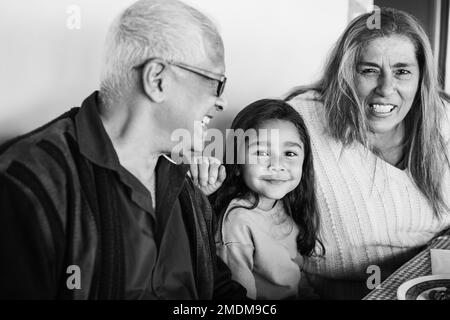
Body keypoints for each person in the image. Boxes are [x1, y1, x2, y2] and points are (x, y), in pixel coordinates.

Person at [0, 0, 246, 299]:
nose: (220, 102)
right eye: (216, 83)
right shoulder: (29, 183)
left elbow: (218, 289)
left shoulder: (187, 187)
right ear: (158, 80)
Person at [283, 7, 450, 299]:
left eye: (402, 71)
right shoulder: (302, 120)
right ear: (345, 74)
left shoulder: (442, 117)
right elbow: (246, 189)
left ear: (420, 77)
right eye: (369, 70)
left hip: (433, 282)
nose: (386, 88)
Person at [212, 99, 324, 299]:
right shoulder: (237, 221)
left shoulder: (286, 206)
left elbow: (297, 277)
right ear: (236, 163)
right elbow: (239, 299)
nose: (277, 165)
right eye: (262, 153)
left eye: (290, 153)